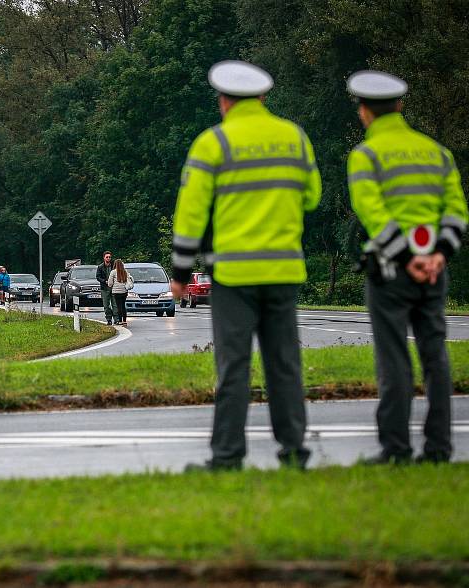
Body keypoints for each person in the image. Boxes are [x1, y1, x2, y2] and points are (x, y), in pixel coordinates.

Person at [170, 60, 322, 471]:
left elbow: (190, 214)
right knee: (285, 365)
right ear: (263, 98)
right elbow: (312, 197)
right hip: (283, 272)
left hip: (234, 276)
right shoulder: (294, 138)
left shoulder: (212, 144)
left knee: (234, 367)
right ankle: (294, 452)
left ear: (223, 101)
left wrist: (182, 272)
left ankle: (227, 457)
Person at [346, 70, 469, 465]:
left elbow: (373, 214)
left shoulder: (366, 156)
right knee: (436, 357)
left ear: (364, 112)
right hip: (434, 270)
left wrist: (406, 259)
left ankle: (396, 448)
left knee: (394, 359)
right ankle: (439, 448)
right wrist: (437, 256)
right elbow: (456, 211)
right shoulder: (436, 152)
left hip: (390, 271)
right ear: (400, 106)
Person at [107, 258, 134, 326]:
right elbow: (129, 280)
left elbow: (110, 283)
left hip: (116, 292)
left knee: (118, 306)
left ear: (115, 264)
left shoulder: (113, 272)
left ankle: (120, 320)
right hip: (124, 291)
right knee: (123, 306)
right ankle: (124, 320)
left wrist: (111, 284)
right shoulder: (125, 271)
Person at [96, 251, 118, 325]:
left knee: (115, 304)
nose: (108, 258)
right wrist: (104, 281)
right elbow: (98, 277)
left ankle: (116, 319)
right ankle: (108, 319)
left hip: (114, 287)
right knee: (106, 305)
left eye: (109, 257)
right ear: (104, 258)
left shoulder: (114, 266)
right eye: (107, 257)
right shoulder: (100, 267)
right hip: (104, 288)